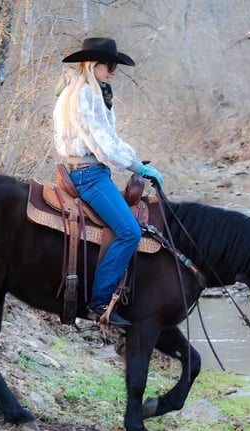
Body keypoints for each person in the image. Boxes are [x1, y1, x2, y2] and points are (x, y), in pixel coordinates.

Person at [53, 37, 163, 327]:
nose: (114, 72)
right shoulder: (84, 94)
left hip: (91, 171)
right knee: (129, 232)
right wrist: (137, 166)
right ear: (93, 65)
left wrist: (135, 161)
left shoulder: (86, 91)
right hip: (89, 175)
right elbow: (103, 145)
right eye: (109, 66)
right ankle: (99, 302)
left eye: (115, 66)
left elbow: (109, 140)